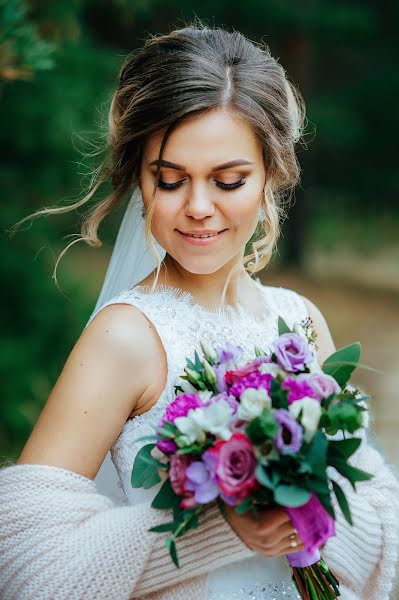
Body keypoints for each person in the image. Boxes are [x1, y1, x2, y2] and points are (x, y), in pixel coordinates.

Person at [1, 22, 398, 600]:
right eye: (170, 180)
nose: (198, 208)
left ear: (271, 176)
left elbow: (382, 532)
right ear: (140, 179)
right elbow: (24, 562)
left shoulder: (301, 324)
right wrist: (222, 528)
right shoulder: (127, 337)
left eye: (229, 180)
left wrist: (303, 513)